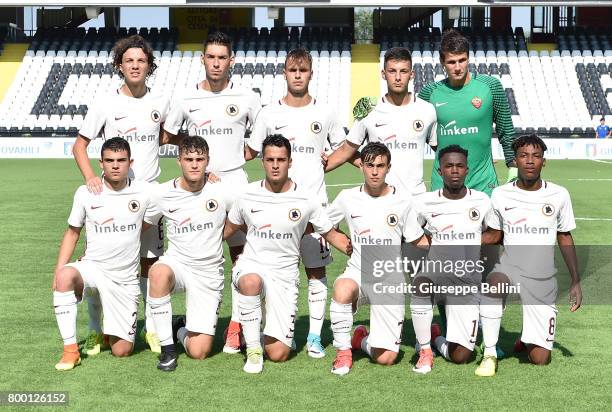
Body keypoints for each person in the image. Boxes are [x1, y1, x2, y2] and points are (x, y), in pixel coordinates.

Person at [72, 34, 174, 354]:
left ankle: (153, 329)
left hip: (150, 200)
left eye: (140, 60)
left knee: (149, 264)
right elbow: (80, 145)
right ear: (120, 65)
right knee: (102, 264)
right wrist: (91, 177)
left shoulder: (161, 103)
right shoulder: (106, 103)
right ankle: (93, 329)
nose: (134, 65)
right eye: (129, 60)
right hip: (113, 201)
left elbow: (174, 138)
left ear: (149, 66)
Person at [162, 31, 262, 352]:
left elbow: (259, 139)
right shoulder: (184, 98)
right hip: (200, 188)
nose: (216, 63)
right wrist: (198, 157)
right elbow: (167, 136)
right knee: (200, 252)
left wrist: (239, 156)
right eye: (211, 57)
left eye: (222, 57)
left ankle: (236, 326)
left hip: (235, 185)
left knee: (243, 259)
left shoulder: (248, 97)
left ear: (231, 60)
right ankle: (188, 321)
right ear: (202, 59)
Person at [245, 47, 346, 358]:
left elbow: (343, 148)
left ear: (311, 74)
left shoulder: (325, 112)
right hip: (276, 212)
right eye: (292, 70)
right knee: (269, 270)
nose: (298, 75)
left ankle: (314, 335)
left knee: (316, 272)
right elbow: (250, 152)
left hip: (315, 209)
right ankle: (261, 327)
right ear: (285, 73)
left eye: (303, 71)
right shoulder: (268, 113)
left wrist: (321, 166)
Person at [224, 134, 352, 374]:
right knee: (250, 281)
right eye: (270, 159)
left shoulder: (306, 199)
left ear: (290, 162)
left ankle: (260, 325)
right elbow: (226, 230)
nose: (275, 165)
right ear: (262, 161)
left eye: (281, 160)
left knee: (279, 354)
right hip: (252, 265)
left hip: (284, 276)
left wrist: (365, 251)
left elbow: (331, 234)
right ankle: (253, 350)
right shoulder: (245, 195)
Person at [476, 134, 583, 377]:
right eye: (524, 156)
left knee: (540, 359)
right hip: (510, 267)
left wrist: (576, 280)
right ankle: (490, 353)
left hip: (542, 276)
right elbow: (494, 235)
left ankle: (528, 339)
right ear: (515, 161)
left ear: (544, 161)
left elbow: (564, 236)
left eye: (536, 156)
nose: (530, 161)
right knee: (494, 283)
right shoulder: (501, 194)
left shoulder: (559, 195)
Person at [53, 138, 157, 370]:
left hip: (124, 279)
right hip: (93, 267)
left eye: (121, 160)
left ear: (130, 162)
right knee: (64, 276)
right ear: (101, 163)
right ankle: (71, 350)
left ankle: (106, 331)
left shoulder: (146, 191)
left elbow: (181, 187)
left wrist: (210, 176)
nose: (115, 165)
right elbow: (72, 234)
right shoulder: (86, 192)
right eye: (109, 161)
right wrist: (58, 270)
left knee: (122, 351)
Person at [326, 142, 429, 376]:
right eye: (370, 165)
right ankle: (343, 353)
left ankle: (360, 340)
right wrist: (341, 242)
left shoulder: (403, 201)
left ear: (388, 168)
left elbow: (417, 239)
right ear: (361, 165)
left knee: (387, 358)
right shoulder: (347, 197)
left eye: (380, 166)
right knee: (342, 287)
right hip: (358, 271)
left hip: (389, 279)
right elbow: (324, 224)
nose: (374, 171)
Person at [147, 136, 234, 371]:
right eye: (189, 159)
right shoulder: (162, 193)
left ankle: (177, 328)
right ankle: (167, 350)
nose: (194, 164)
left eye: (199, 159)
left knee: (200, 351)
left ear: (208, 161)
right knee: (158, 273)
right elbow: (143, 225)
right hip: (178, 265)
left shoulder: (222, 190)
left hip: (208, 272)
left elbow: (244, 216)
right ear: (179, 161)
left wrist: (222, 235)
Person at [410, 144, 492, 374]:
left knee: (462, 356)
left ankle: (436, 338)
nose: (454, 170)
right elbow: (410, 235)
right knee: (421, 283)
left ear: (467, 170)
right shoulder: (424, 202)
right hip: (436, 272)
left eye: (459, 166)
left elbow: (494, 234)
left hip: (466, 280)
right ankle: (425, 350)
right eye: (449, 166)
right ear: (439, 170)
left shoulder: (482, 201)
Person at [324, 47, 437, 196]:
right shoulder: (369, 111)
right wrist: (314, 171)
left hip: (415, 199)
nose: (398, 77)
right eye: (392, 71)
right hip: (380, 199)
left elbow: (442, 150)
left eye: (403, 71)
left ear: (411, 74)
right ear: (383, 74)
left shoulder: (427, 110)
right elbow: (346, 151)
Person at [418, 29, 516, 195]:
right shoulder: (429, 93)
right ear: (442, 62)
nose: (457, 67)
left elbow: (505, 129)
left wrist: (513, 166)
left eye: (462, 60)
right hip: (442, 184)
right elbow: (418, 132)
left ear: (468, 58)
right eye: (451, 62)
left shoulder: (491, 86)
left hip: (483, 183)